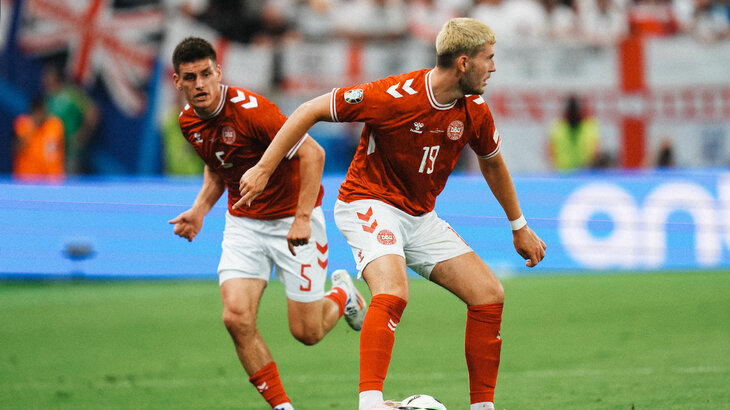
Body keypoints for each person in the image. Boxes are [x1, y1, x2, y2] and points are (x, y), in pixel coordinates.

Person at [237, 17, 547, 410]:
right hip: (368, 202)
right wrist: (264, 168)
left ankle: (482, 407)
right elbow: (309, 110)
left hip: (419, 217)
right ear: (464, 63)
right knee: (394, 291)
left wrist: (519, 226)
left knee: (488, 294)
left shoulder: (475, 110)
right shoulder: (394, 96)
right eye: (489, 58)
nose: (495, 67)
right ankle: (370, 403)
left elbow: (493, 163)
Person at [166, 37, 366, 410]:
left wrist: (303, 219)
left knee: (306, 332)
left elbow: (313, 153)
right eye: (190, 78)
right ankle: (282, 406)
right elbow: (218, 167)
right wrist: (199, 211)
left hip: (294, 220)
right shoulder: (187, 122)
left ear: (218, 72)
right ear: (177, 82)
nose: (200, 85)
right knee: (235, 317)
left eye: (206, 74)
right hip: (244, 225)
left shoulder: (253, 112)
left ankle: (342, 296)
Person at [41, 64, 99, 175]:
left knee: (71, 184)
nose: (44, 79)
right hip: (52, 152)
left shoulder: (71, 94)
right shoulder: (47, 99)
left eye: (47, 76)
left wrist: (84, 133)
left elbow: (92, 112)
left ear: (55, 77)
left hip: (71, 150)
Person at [12, 95, 65, 182]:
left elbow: (58, 150)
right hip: (27, 179)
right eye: (38, 112)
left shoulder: (55, 125)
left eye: (43, 111)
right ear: (34, 111)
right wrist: (31, 127)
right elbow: (17, 147)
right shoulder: (23, 124)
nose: (41, 115)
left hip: (51, 179)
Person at [548, 94, 602, 171]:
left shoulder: (557, 127)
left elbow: (551, 153)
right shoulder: (557, 127)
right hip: (567, 174)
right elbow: (596, 152)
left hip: (578, 174)